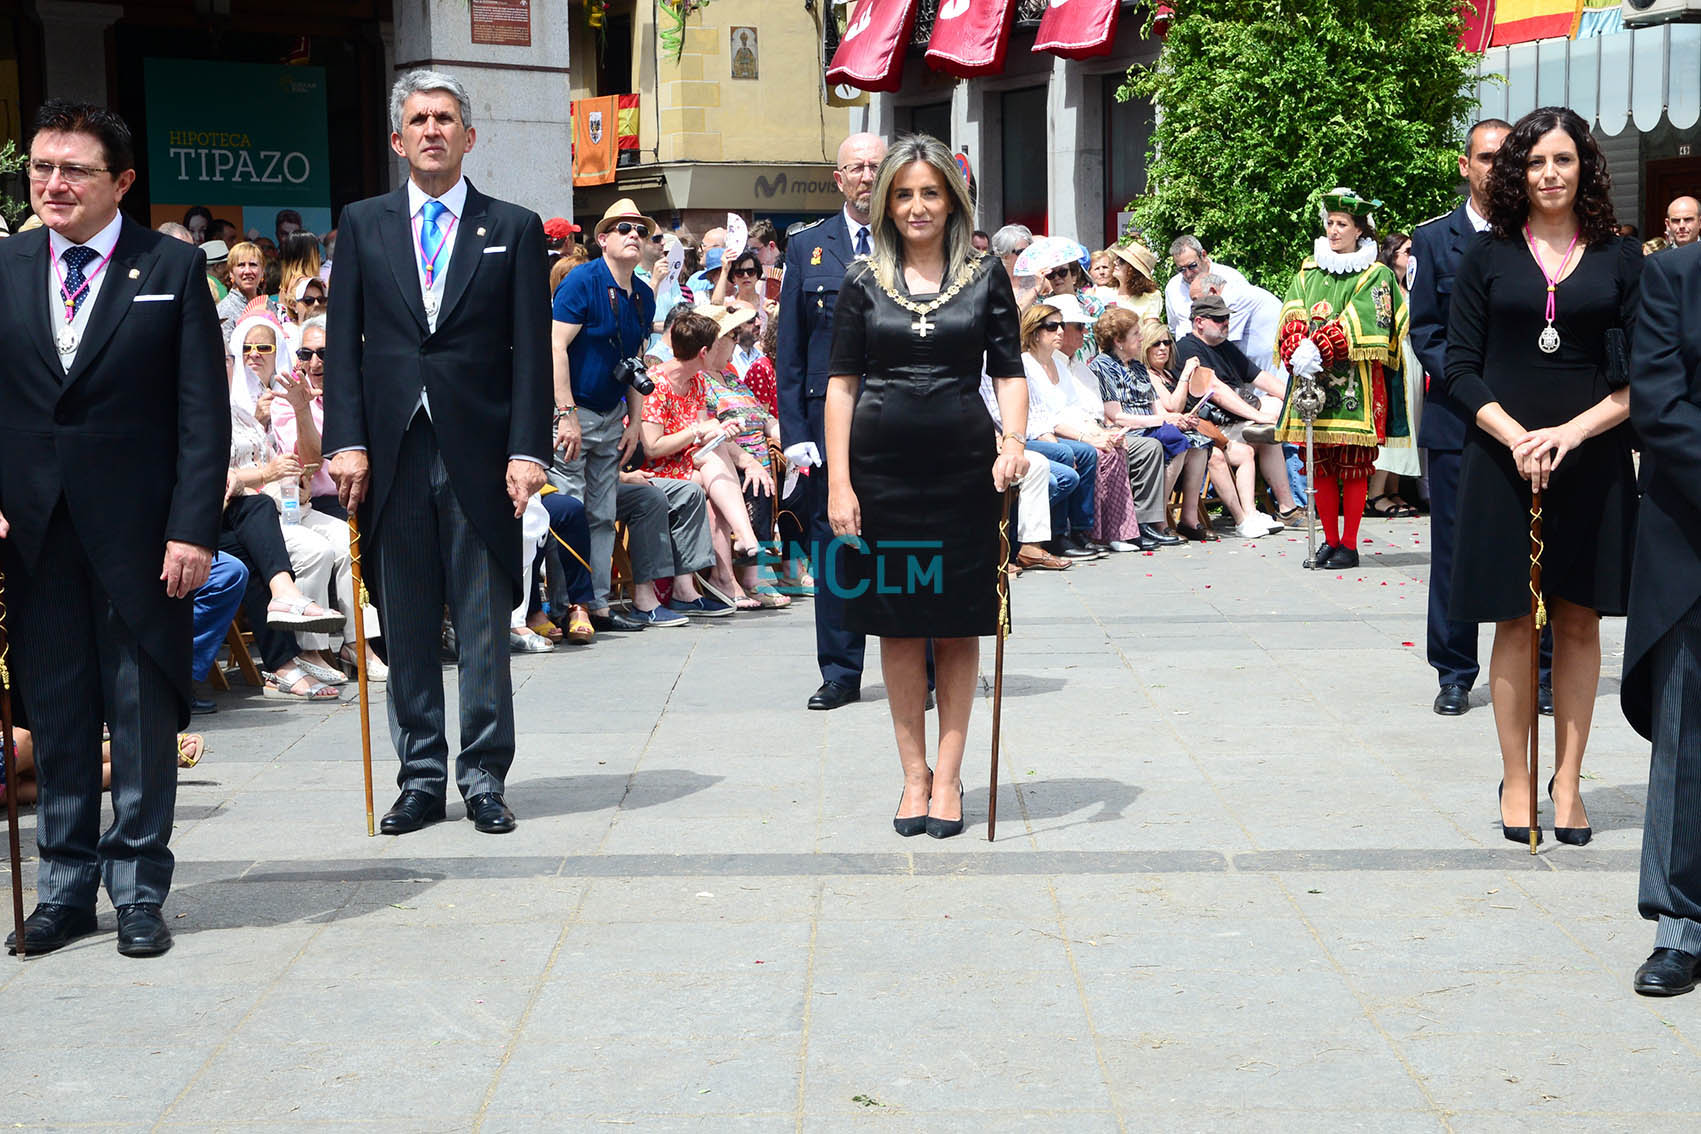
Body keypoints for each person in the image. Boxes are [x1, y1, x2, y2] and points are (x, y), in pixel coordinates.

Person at [0, 101, 228, 957]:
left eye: (74, 171)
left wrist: (193, 529)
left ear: (122, 182)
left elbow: (202, 415)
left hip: (142, 534)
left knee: (137, 712)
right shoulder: (6, 263)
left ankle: (138, 888)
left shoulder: (167, 267)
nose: (53, 186)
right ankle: (65, 887)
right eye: (41, 169)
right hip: (31, 531)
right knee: (56, 710)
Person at [324, 69, 552, 838]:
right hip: (390, 451)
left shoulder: (513, 228)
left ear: (468, 135)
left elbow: (529, 354)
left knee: (486, 622)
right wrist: (346, 441)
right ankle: (420, 776)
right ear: (397, 139)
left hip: (482, 453)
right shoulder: (361, 223)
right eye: (418, 119)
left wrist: (528, 449)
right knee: (409, 620)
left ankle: (483, 775)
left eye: (445, 118)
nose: (431, 130)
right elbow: (343, 344)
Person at [1441, 105, 1640, 849]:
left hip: (1589, 458)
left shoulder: (1621, 258)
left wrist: (1568, 433)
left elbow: (1641, 379)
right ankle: (1517, 778)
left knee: (1580, 618)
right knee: (1513, 619)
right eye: (1534, 162)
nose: (1548, 174)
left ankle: (1567, 781)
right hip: (1502, 457)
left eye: (1562, 160)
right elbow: (1456, 366)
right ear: (1515, 173)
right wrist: (1518, 436)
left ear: (1584, 167)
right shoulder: (1485, 256)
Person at [825, 133, 1028, 839]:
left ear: (952, 201)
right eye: (903, 193)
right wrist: (838, 483)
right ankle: (912, 776)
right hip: (880, 475)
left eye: (929, 193)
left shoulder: (983, 275)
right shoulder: (859, 279)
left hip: (964, 470)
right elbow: (841, 385)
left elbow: (1007, 371)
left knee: (956, 622)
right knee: (899, 624)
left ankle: (949, 776)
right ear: (885, 202)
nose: (916, 206)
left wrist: (1012, 442)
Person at [1409, 118, 1519, 718]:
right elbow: (1425, 330)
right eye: (1484, 158)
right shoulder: (1433, 241)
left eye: (1506, 159)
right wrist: (1470, 388)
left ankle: (1544, 667)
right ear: (1464, 164)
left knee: (1536, 541)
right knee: (1453, 549)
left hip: (1530, 421)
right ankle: (1454, 670)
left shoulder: (1536, 236)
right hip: (1458, 419)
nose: (1494, 169)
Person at [777, 130, 886, 711]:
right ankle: (841, 671)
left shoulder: (909, 239)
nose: (867, 176)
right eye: (857, 168)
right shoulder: (807, 246)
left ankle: (917, 661)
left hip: (898, 416)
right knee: (835, 543)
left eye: (876, 166)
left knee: (900, 537)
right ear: (838, 179)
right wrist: (794, 435)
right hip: (827, 423)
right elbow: (789, 351)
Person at [1622, 237, 1701, 996]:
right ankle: (1679, 925)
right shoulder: (1674, 274)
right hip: (1691, 537)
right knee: (1685, 734)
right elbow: (1657, 398)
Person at [1271, 188, 1411, 569]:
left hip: (1355, 386)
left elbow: (1371, 315)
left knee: (1352, 466)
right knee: (1320, 465)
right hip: (1310, 384)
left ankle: (1349, 544)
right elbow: (1293, 306)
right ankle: (1329, 540)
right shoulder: (1309, 269)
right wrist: (1297, 344)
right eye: (1330, 223)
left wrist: (1323, 344)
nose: (1333, 231)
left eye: (1341, 224)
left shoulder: (1375, 272)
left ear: (1359, 230)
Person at [551, 197, 658, 635]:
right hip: (575, 413)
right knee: (570, 511)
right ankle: (565, 604)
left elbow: (636, 361)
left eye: (641, 230)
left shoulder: (644, 295)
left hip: (612, 415)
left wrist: (635, 421)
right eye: (624, 228)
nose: (635, 235)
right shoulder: (581, 281)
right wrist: (565, 414)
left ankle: (595, 602)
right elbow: (555, 347)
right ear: (602, 239)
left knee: (601, 512)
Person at [1174, 294, 1294, 538]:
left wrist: (1294, 399)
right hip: (1213, 424)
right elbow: (1215, 390)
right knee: (1264, 429)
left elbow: (1259, 376)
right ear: (1199, 322)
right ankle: (1251, 515)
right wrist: (1257, 416)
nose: (1225, 323)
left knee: (1273, 426)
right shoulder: (1187, 348)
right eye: (1218, 319)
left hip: (1235, 419)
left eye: (1227, 318)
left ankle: (1287, 508)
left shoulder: (1224, 346)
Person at [1364, 231, 1423, 511]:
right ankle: (1375, 496)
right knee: (1393, 422)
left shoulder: (1409, 286)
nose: (1412, 256)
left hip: (1412, 358)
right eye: (1407, 251)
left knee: (1409, 424)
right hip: (1392, 360)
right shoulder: (1382, 285)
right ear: (1392, 255)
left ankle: (1393, 489)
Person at [1165, 235, 1251, 339]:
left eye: (1192, 266)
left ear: (1203, 255)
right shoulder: (1173, 287)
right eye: (1181, 269)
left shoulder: (1232, 279)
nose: (1188, 274)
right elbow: (1173, 327)